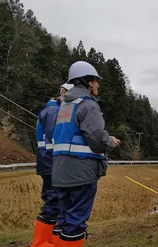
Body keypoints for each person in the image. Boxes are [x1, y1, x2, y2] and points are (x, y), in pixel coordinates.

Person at [51, 61, 120, 247]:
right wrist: (110, 141)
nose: (98, 85)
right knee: (75, 223)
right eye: (97, 81)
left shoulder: (65, 105)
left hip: (60, 170)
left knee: (63, 218)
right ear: (89, 82)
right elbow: (97, 140)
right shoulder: (88, 105)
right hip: (80, 173)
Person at [31, 83, 74, 247]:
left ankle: (53, 241)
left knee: (58, 201)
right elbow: (56, 136)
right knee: (53, 200)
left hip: (50, 161)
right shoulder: (53, 111)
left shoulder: (52, 109)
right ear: (63, 93)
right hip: (50, 161)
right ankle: (41, 242)